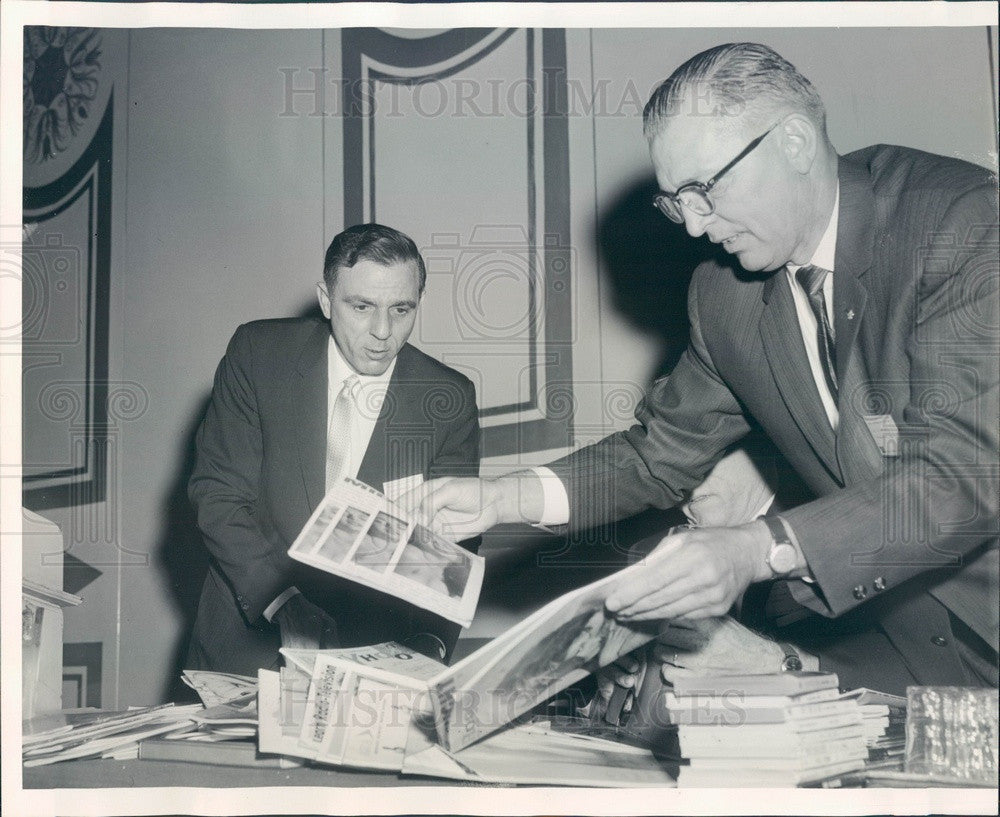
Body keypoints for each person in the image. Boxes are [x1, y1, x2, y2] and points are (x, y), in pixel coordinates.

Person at [408, 43, 999, 695]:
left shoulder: (959, 223)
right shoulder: (725, 296)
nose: (691, 225)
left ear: (795, 142)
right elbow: (659, 453)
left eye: (703, 190)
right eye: (674, 203)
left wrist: (754, 547)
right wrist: (504, 495)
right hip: (915, 653)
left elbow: (960, 475)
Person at [186, 223, 480, 675]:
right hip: (247, 645)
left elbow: (451, 545)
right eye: (361, 307)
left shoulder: (447, 398)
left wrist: (429, 647)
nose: (383, 332)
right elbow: (219, 495)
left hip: (373, 655)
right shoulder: (258, 355)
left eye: (401, 309)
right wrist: (281, 600)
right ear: (326, 299)